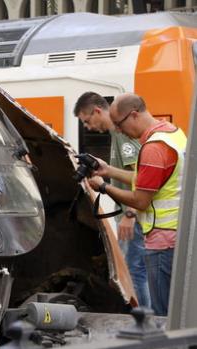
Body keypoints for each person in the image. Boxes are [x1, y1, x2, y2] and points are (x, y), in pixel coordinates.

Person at [88, 93, 186, 316]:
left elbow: (141, 200)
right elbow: (152, 180)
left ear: (133, 115)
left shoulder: (154, 148)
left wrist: (104, 187)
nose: (119, 131)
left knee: (164, 316)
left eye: (120, 125)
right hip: (179, 236)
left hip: (163, 243)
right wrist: (109, 170)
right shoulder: (173, 134)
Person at [74, 92, 150, 308]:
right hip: (130, 210)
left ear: (98, 110)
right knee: (135, 270)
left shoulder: (122, 133)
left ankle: (145, 322)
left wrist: (130, 213)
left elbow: (141, 174)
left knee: (135, 271)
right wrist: (104, 173)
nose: (87, 128)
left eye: (87, 121)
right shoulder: (117, 134)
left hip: (132, 214)